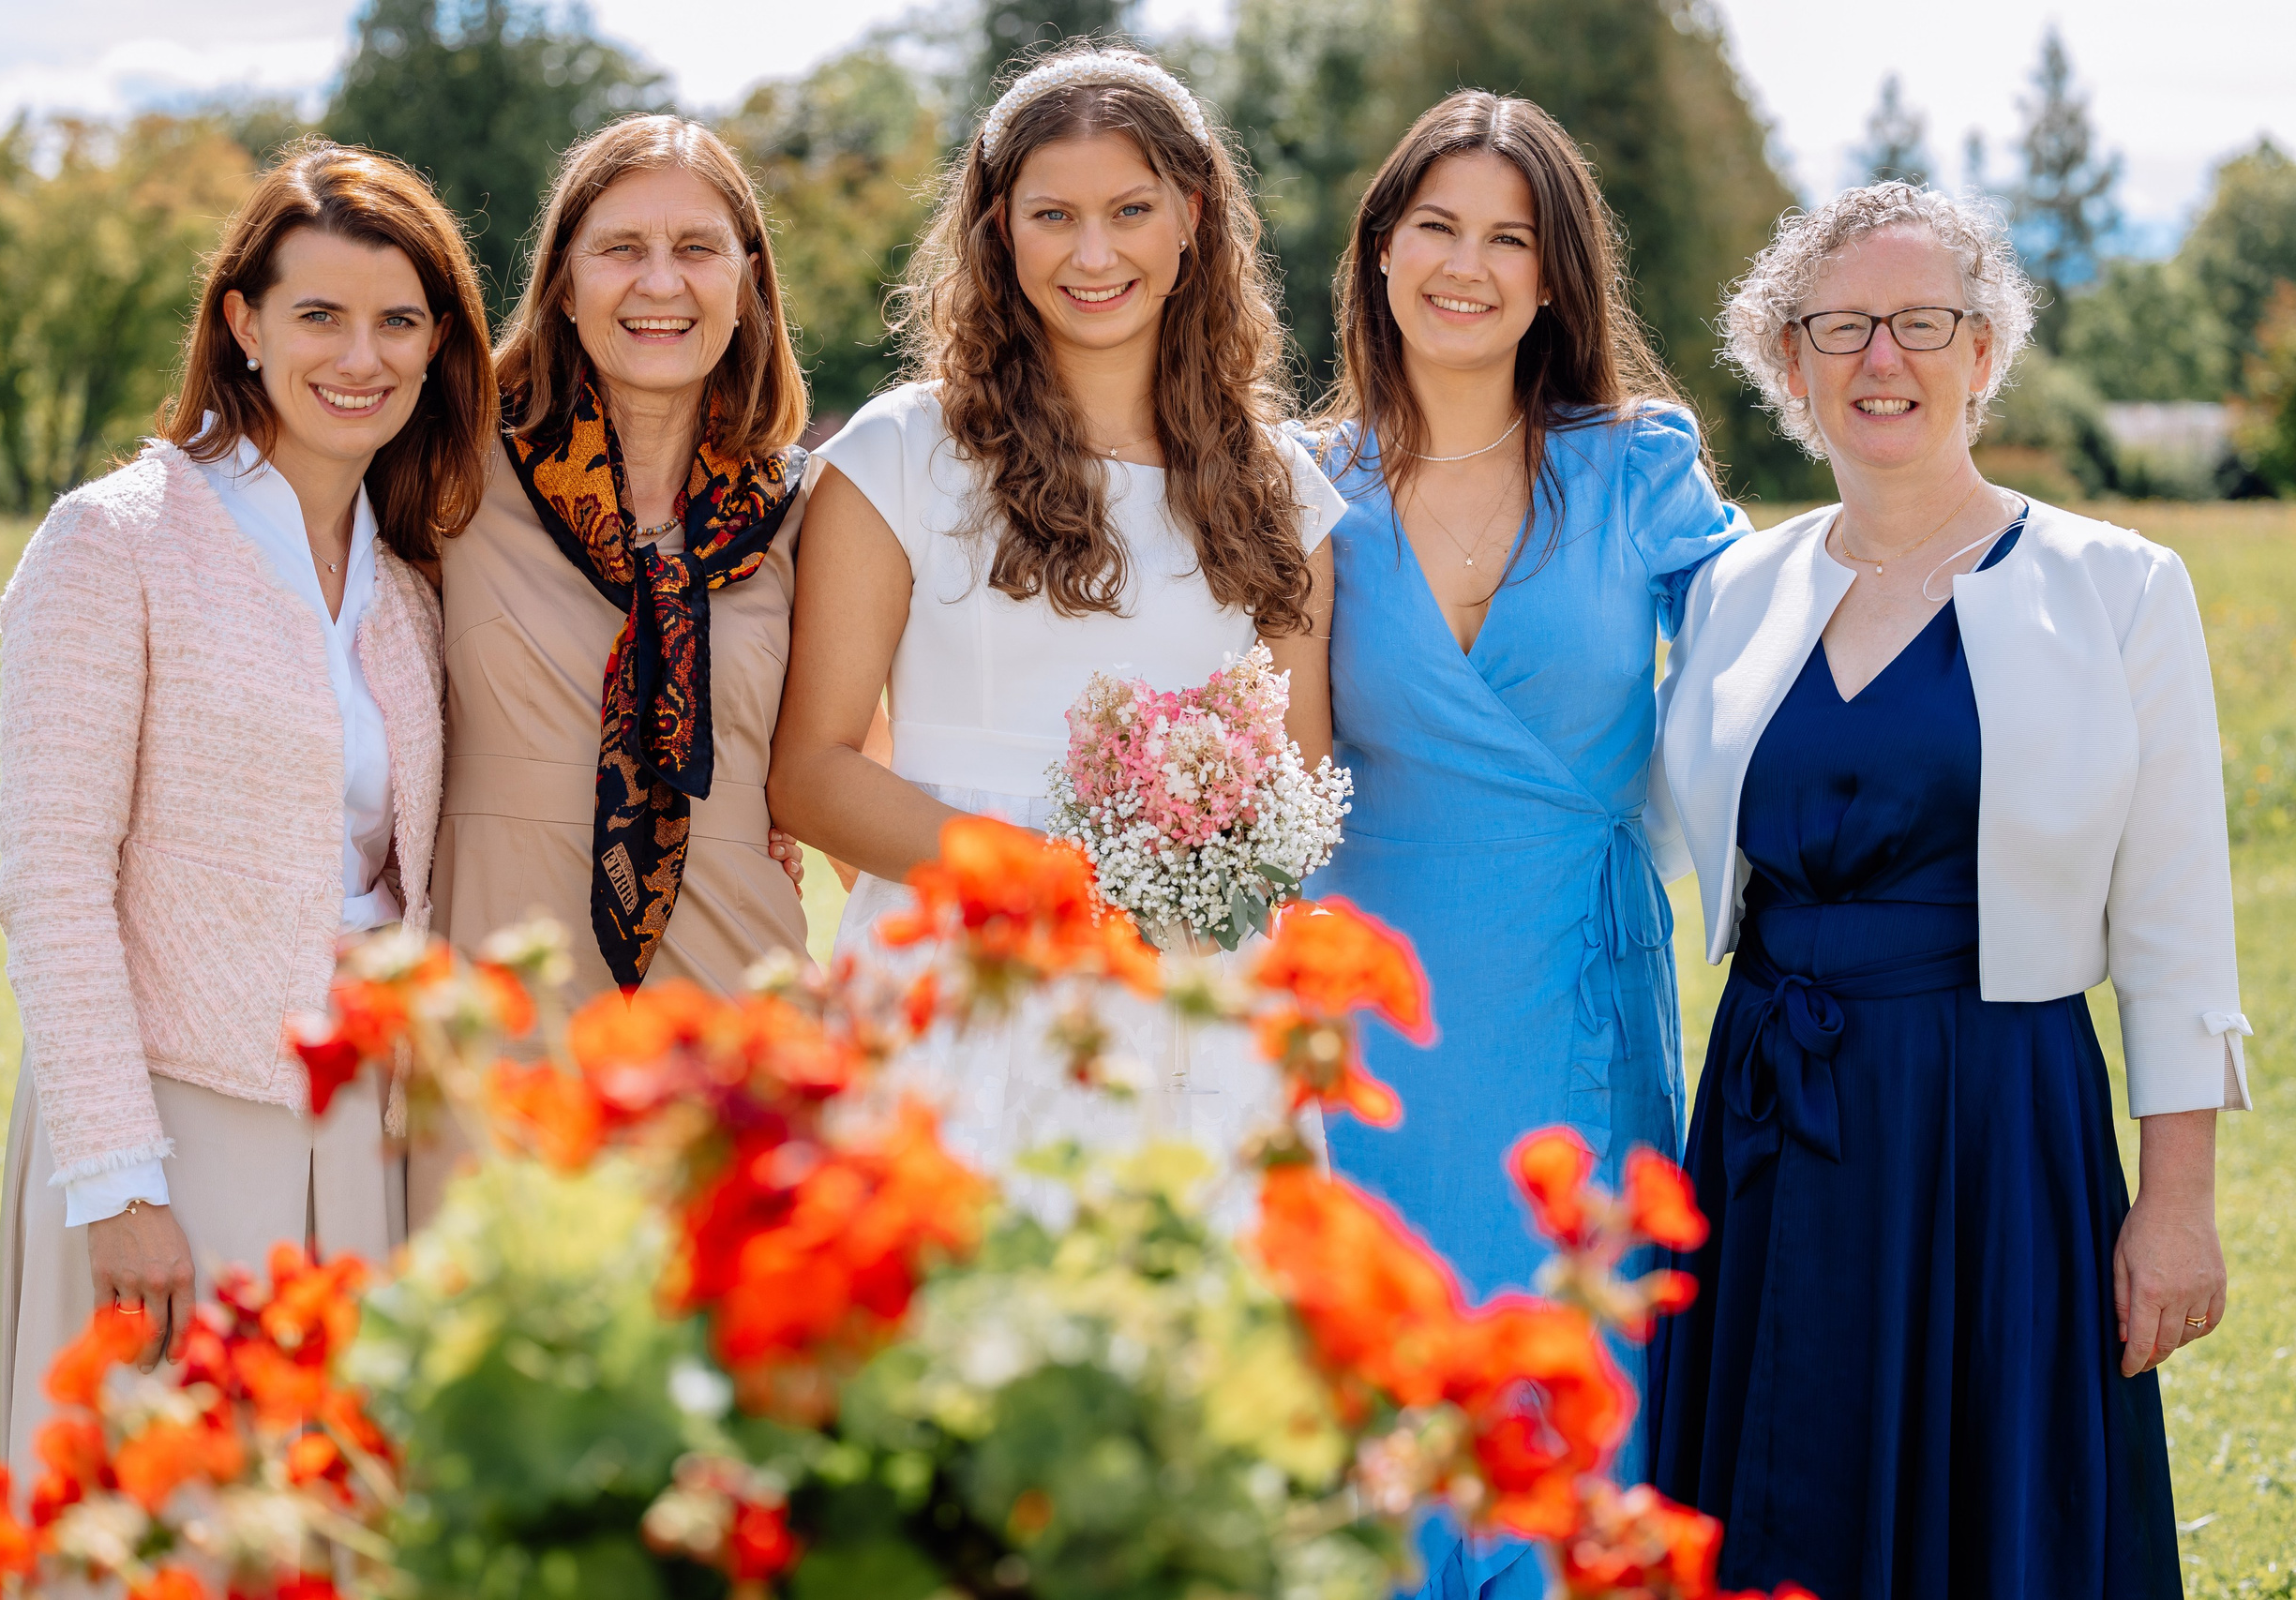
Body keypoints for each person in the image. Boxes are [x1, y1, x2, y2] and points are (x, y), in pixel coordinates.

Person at [1647, 183, 2246, 1598]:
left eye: (1923, 321)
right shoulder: (1739, 588)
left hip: (1995, 1109)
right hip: (1766, 1106)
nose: (1881, 359)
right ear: (1785, 362)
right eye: (1840, 325)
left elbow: (2173, 919)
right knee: (1772, 1470)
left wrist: (2176, 1207)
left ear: (1985, 352)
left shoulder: (2119, 587)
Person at [1298, 91, 1746, 1599]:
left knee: (1570, 1381)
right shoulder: (1303, 484)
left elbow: (1782, 657)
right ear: (1377, 251)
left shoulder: (1642, 470)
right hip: (1370, 1015)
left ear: (1558, 278)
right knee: (1379, 1381)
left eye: (1511, 237)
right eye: (1437, 227)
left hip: (1570, 988)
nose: (1468, 267)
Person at [0, 141, 493, 1469]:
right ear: (243, 323)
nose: (361, 357)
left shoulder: (406, 579)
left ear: (438, 342)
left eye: (398, 322)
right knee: (170, 1518)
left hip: (359, 1119)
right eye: (319, 315)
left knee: (331, 1516)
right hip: (172, 1112)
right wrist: (118, 1178)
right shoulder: (115, 541)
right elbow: (51, 878)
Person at [767, 48, 1343, 1195]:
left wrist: (1181, 891)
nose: (1093, 254)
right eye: (1051, 215)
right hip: (958, 978)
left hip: (1190, 998)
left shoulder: (1279, 485)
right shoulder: (899, 454)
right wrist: (1053, 886)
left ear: (1190, 217)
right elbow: (813, 774)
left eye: (1129, 210)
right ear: (997, 228)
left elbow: (1298, 767)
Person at [413, 114, 814, 1218]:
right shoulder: (445, 470)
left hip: (734, 1000)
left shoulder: (805, 511)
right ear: (564, 282)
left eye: (696, 248)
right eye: (620, 248)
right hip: (506, 997)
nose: (660, 283)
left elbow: (838, 764)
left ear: (747, 283)